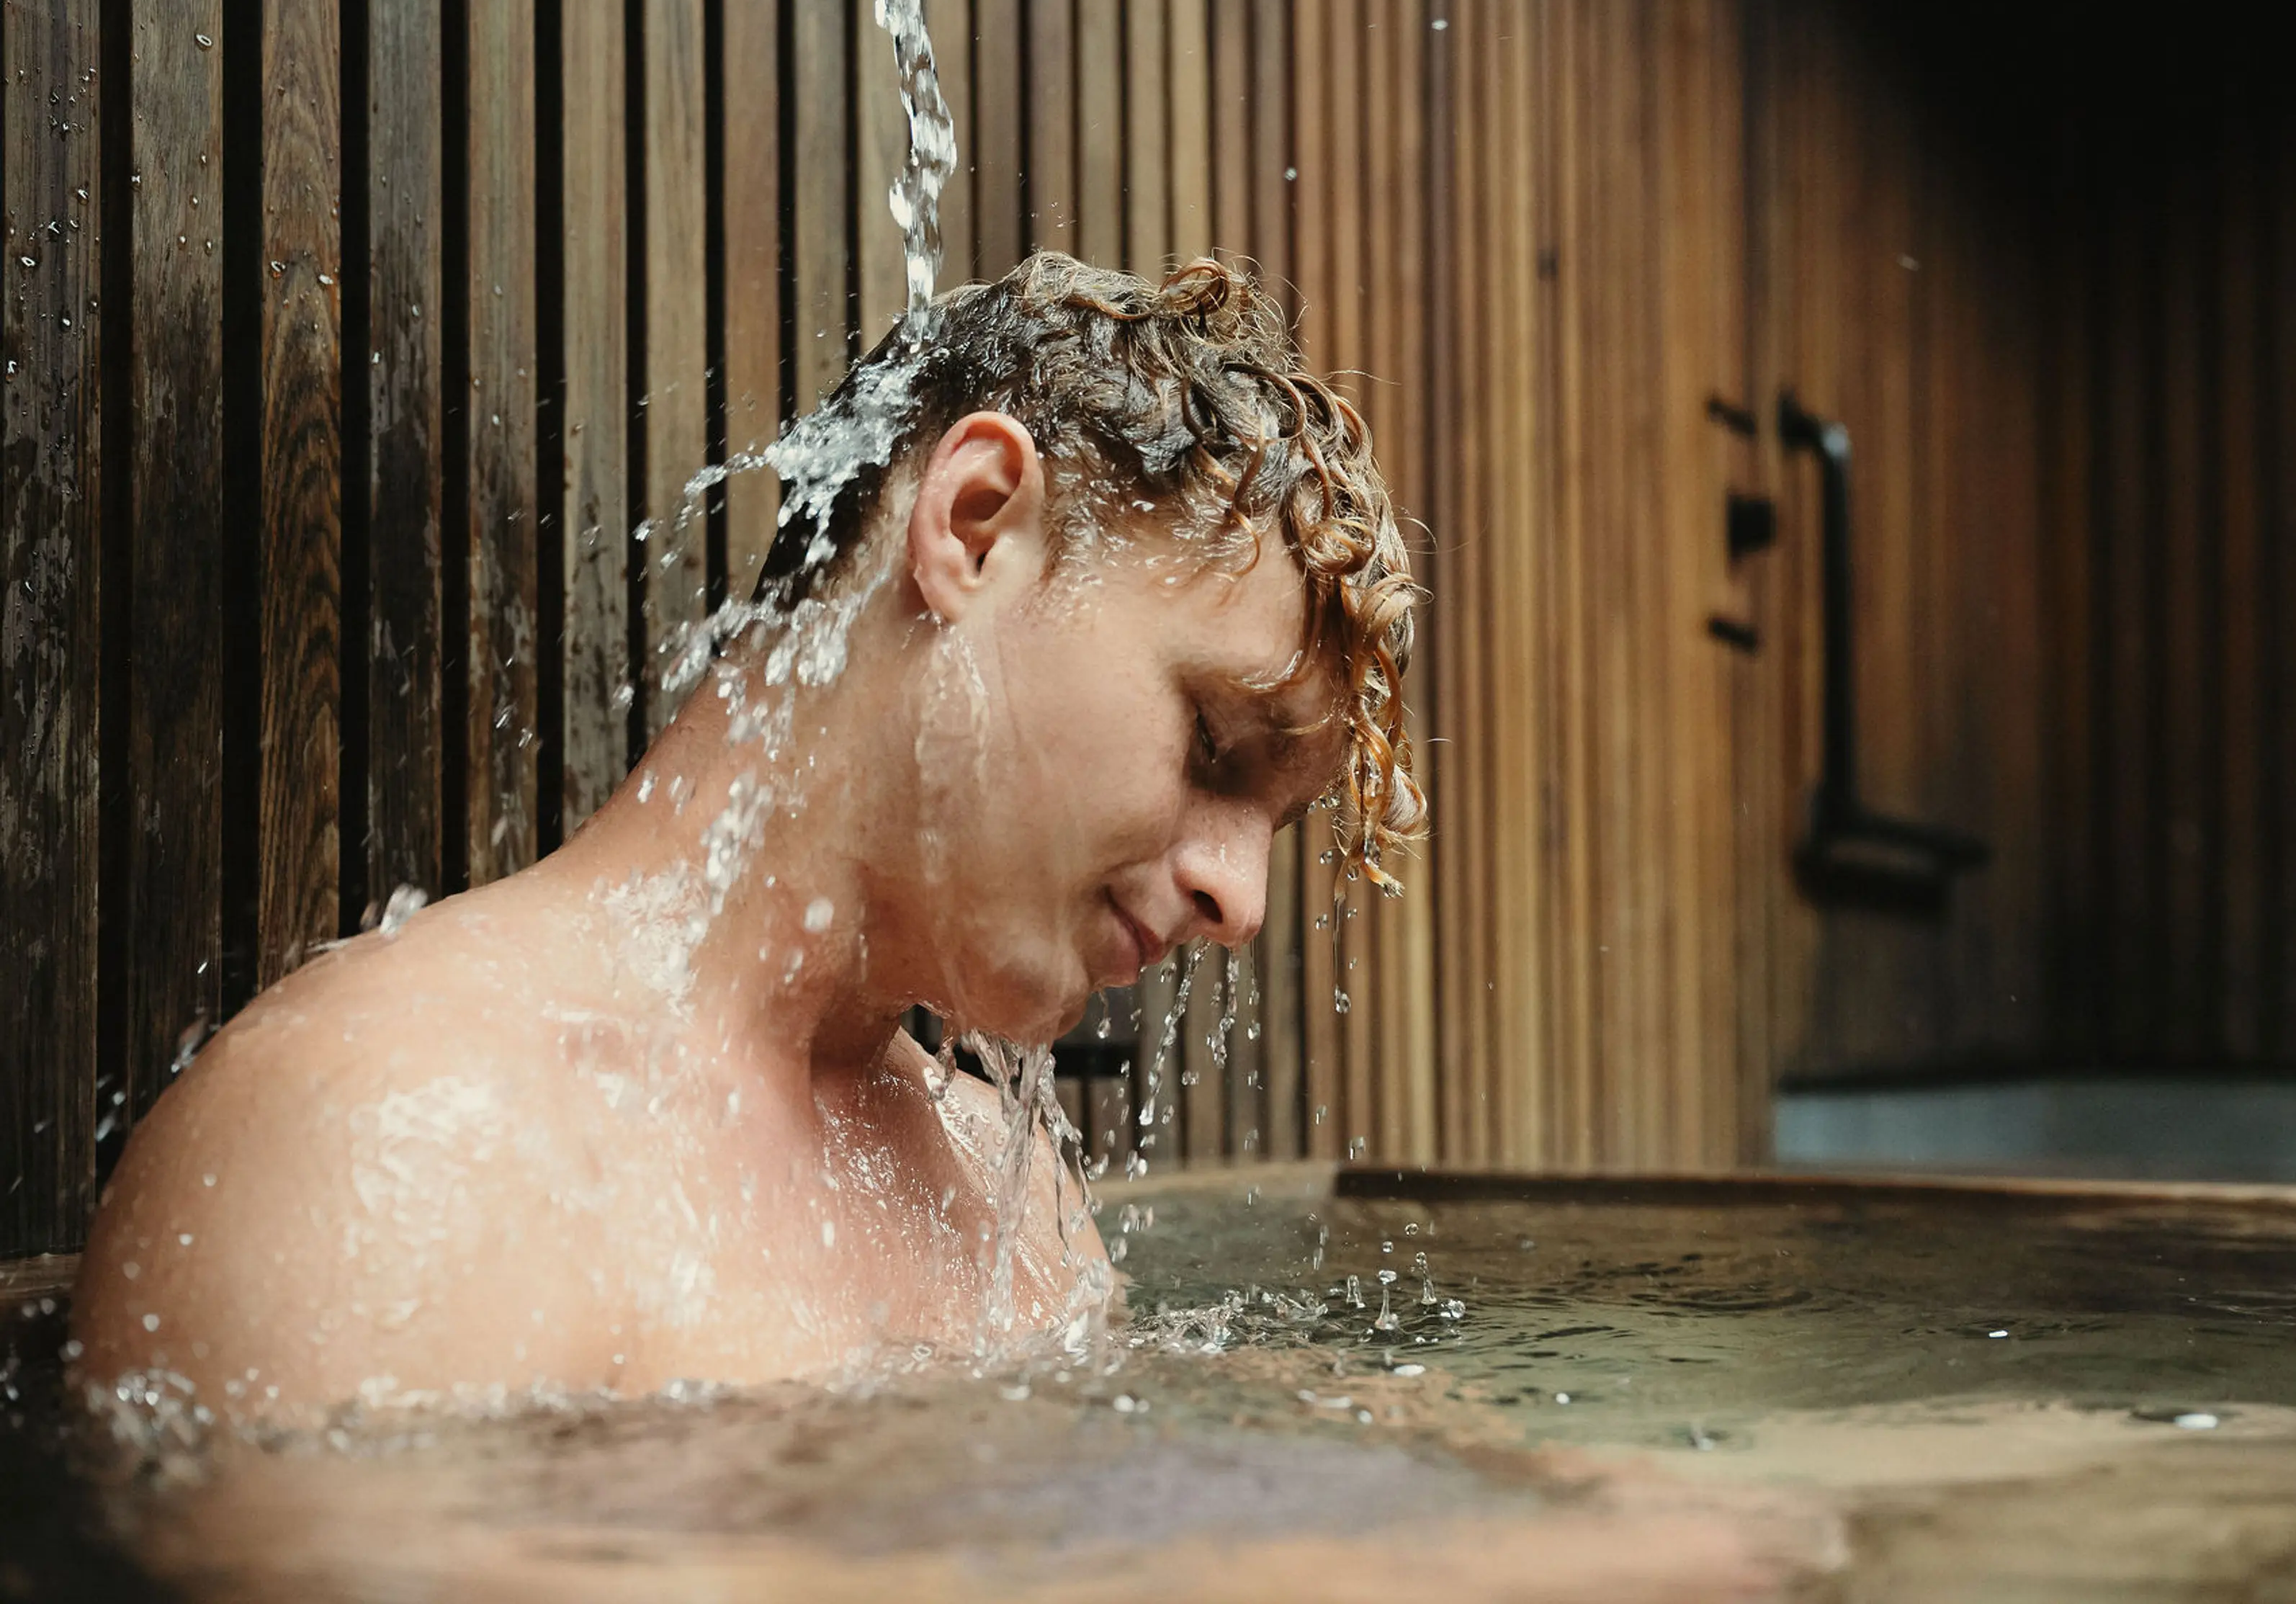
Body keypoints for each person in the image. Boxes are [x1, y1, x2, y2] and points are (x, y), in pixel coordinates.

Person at [72, 254, 1423, 1423]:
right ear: (975, 527)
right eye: (1209, 746)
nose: (1239, 897)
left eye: (1274, 826)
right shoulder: (393, 1148)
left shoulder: (1031, 1214)